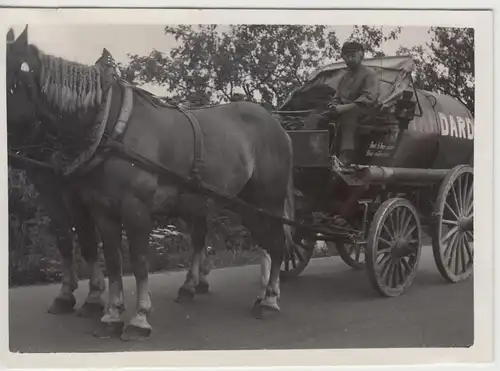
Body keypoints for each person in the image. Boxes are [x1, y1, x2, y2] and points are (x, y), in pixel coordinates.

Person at [328, 41, 380, 166]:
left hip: (365, 111)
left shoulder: (369, 73)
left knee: (348, 115)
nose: (349, 59)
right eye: (346, 56)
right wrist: (333, 105)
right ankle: (325, 152)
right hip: (345, 109)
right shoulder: (344, 77)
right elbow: (337, 96)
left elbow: (369, 98)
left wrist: (343, 108)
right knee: (321, 116)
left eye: (352, 56)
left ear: (361, 55)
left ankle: (346, 155)